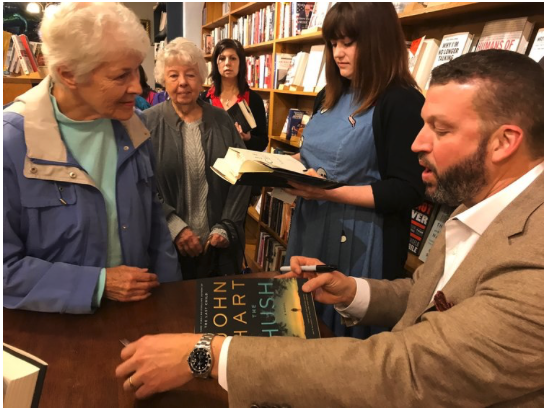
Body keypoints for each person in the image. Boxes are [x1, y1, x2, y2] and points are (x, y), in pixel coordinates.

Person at [116, 49, 544, 407]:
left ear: (504, 142)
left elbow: (408, 370)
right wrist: (353, 289)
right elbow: (430, 298)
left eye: (440, 129)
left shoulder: (534, 261)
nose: (417, 143)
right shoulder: (481, 202)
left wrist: (207, 355)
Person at [3, 2, 181, 314]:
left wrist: (171, 305)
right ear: (68, 74)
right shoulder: (12, 144)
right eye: (120, 76)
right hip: (52, 332)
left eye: (137, 71)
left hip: (138, 315)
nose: (137, 87)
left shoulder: (135, 127)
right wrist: (97, 283)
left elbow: (154, 224)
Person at [283, 2, 425, 338]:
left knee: (342, 344)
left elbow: (408, 189)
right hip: (312, 225)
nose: (338, 54)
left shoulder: (402, 102)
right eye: (333, 43)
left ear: (379, 42)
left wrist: (328, 191)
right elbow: (314, 158)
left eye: (348, 43)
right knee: (301, 325)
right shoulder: (328, 96)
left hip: (362, 240)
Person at [142, 38, 250, 279]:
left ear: (201, 78)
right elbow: (141, 184)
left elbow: (243, 174)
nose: (182, 82)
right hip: (167, 246)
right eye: (173, 75)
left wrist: (227, 225)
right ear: (163, 80)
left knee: (218, 311)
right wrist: (175, 227)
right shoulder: (147, 123)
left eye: (190, 75)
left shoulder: (222, 121)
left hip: (218, 249)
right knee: (174, 313)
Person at [200, 38, 268, 152]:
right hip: (211, 164)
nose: (227, 63)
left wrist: (248, 138)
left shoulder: (254, 100)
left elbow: (262, 143)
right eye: (222, 58)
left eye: (233, 58)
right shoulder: (204, 99)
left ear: (241, 63)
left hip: (242, 165)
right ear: (215, 64)